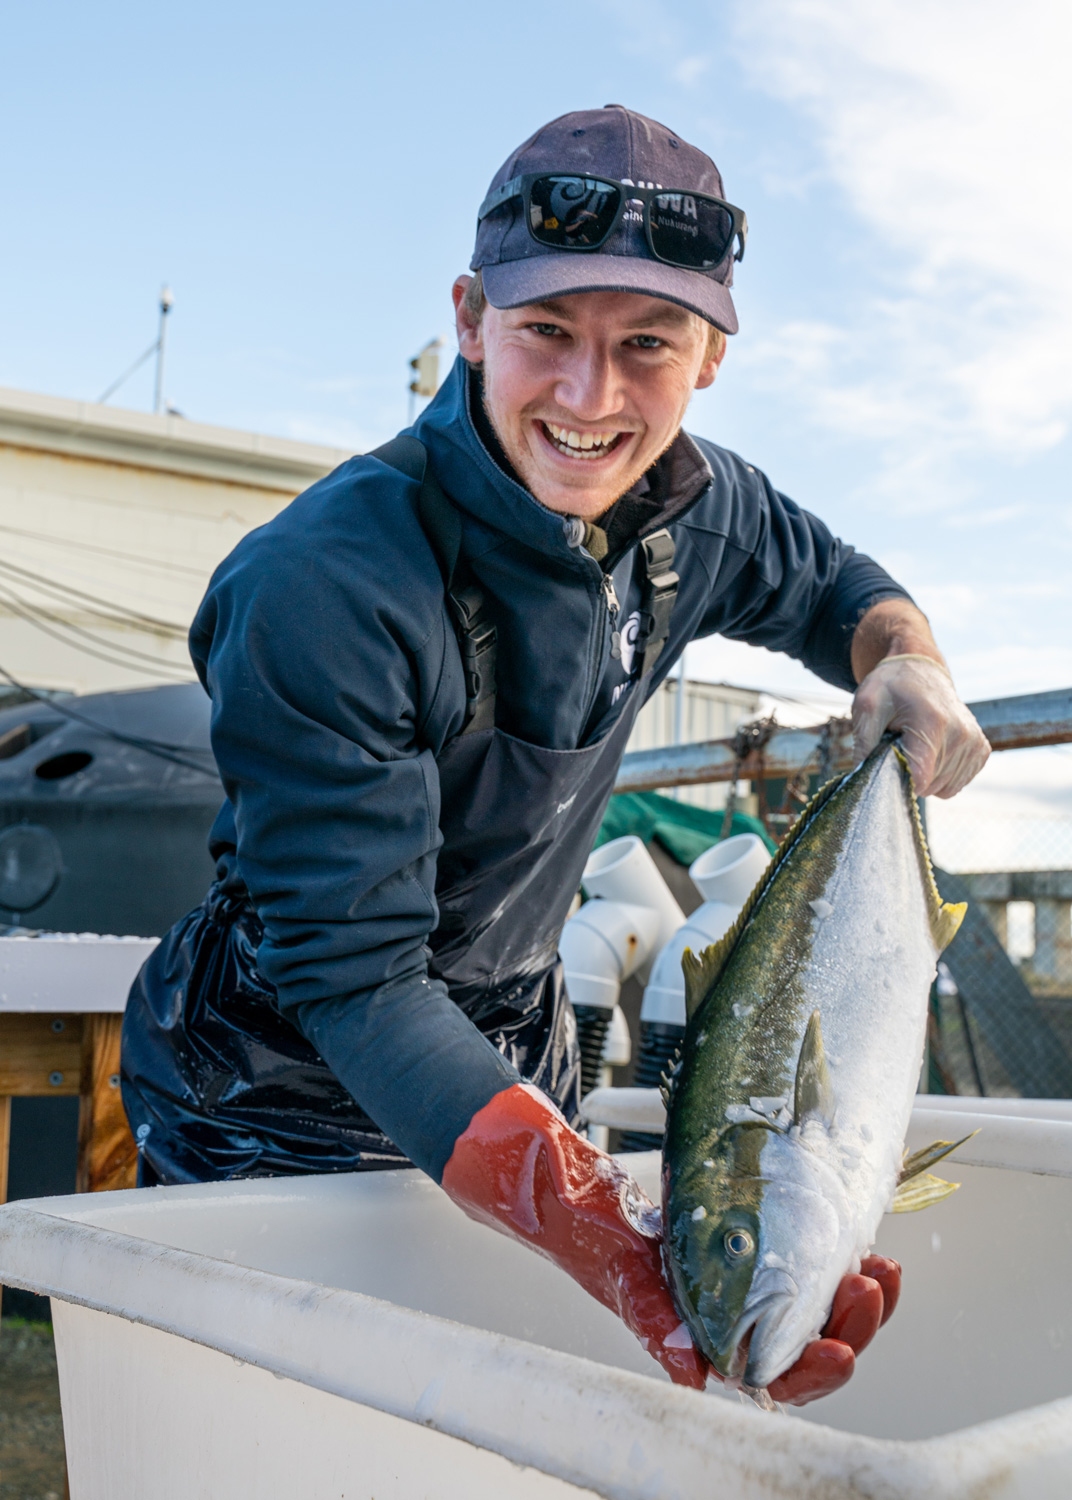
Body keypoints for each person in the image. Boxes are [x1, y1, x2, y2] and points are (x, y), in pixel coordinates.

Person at [121, 106, 990, 1404]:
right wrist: (610, 1244)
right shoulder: (327, 584)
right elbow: (355, 979)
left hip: (523, 1067)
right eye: (546, 334)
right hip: (274, 1102)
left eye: (648, 344)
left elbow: (837, 592)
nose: (593, 400)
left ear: (710, 361)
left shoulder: (700, 514)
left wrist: (903, 657)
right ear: (470, 318)